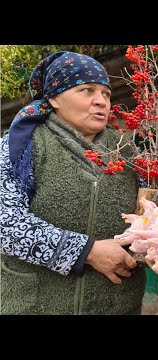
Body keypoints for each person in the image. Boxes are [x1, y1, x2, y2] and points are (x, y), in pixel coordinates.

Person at [0, 51, 146, 315]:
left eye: (106, 94)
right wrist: (85, 251)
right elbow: (5, 222)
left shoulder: (126, 151)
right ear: (54, 97)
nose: (101, 101)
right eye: (87, 90)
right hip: (37, 304)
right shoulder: (22, 146)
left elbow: (151, 214)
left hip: (116, 303)